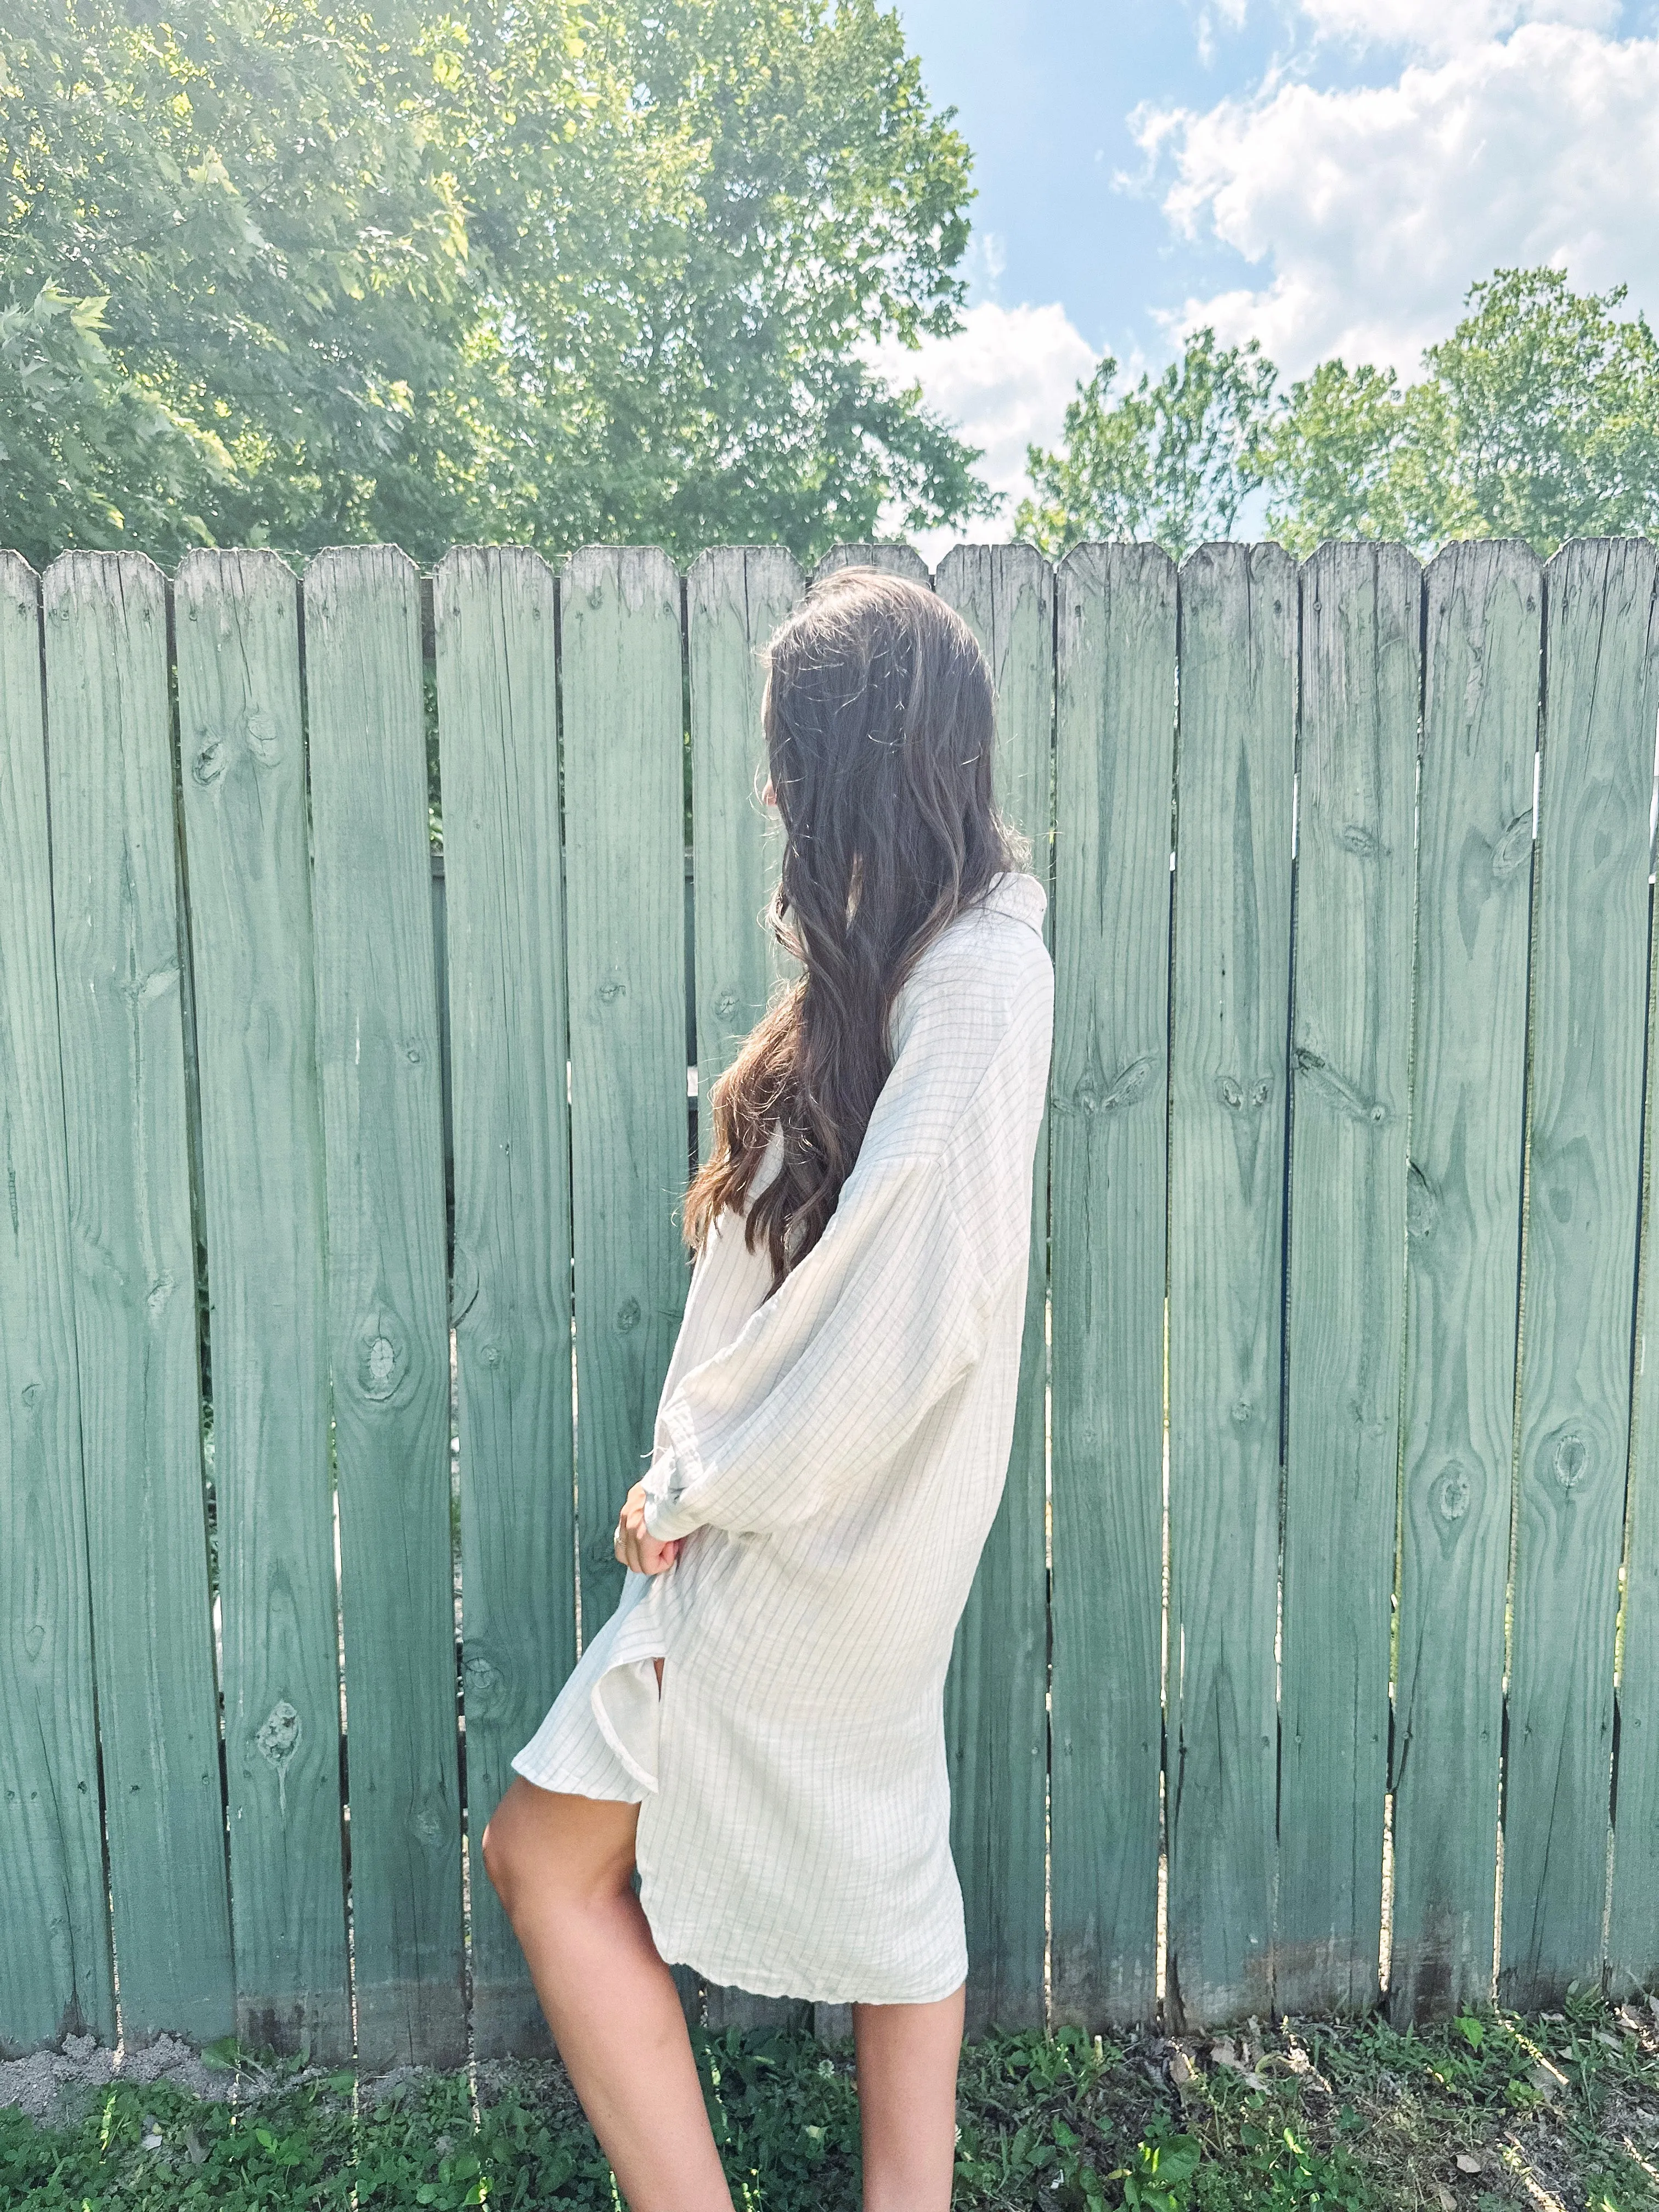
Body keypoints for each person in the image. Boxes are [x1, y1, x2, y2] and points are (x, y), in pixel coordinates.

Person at [480, 566, 1055, 2211]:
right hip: (831, 1508)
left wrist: (700, 1480)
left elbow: (908, 1301)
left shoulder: (982, 979)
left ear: (866, 756)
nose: (775, 792)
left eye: (793, 752)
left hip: (831, 1519)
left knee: (546, 1852)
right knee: (877, 1852)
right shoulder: (918, 959)